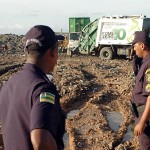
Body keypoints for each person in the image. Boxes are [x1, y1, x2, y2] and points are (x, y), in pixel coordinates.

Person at [0, 25, 66, 150]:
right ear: (52, 52)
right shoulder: (42, 88)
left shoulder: (9, 84)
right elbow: (41, 141)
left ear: (27, 51)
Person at [130, 30, 150, 149]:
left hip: (146, 116)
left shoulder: (149, 64)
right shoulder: (144, 62)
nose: (133, 48)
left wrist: (142, 122)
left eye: (135, 45)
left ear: (142, 46)